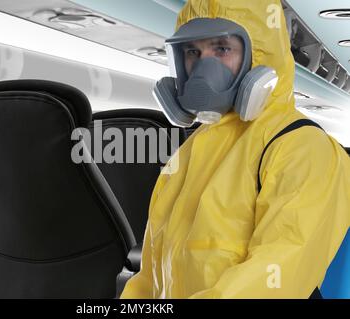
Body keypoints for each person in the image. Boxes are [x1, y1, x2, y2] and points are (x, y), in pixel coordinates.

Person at [121, 0, 350, 299]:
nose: (203, 68)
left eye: (222, 49)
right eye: (192, 52)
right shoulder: (188, 154)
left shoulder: (302, 147)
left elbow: (273, 279)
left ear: (261, 55)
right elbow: (151, 274)